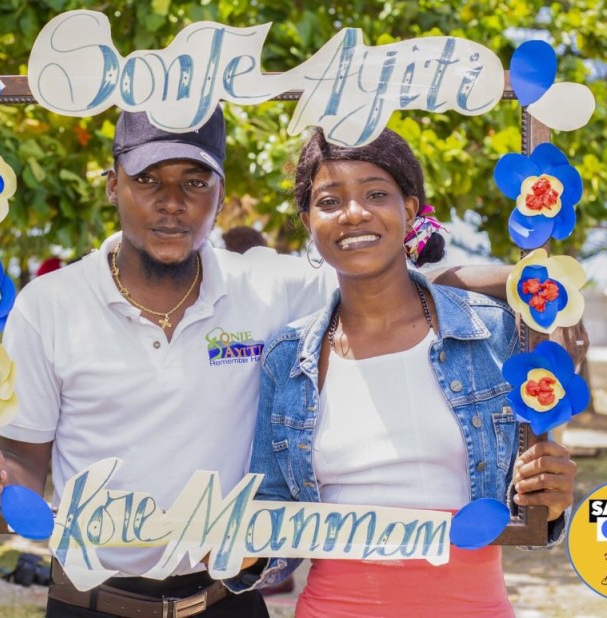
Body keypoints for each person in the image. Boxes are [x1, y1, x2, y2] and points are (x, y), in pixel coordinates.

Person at [0, 108, 516, 618]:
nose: (172, 202)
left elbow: (399, 276)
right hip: (89, 601)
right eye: (147, 179)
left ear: (220, 194)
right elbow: (25, 457)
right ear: (113, 185)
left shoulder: (267, 286)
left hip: (228, 599)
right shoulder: (50, 304)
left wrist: (532, 287)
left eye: (195, 182)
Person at [234, 128, 576, 617]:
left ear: (410, 208)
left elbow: (528, 510)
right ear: (308, 221)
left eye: (376, 194)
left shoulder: (491, 331)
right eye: (329, 201)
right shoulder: (288, 358)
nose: (354, 213)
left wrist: (550, 499)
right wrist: (240, 552)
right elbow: (272, 518)